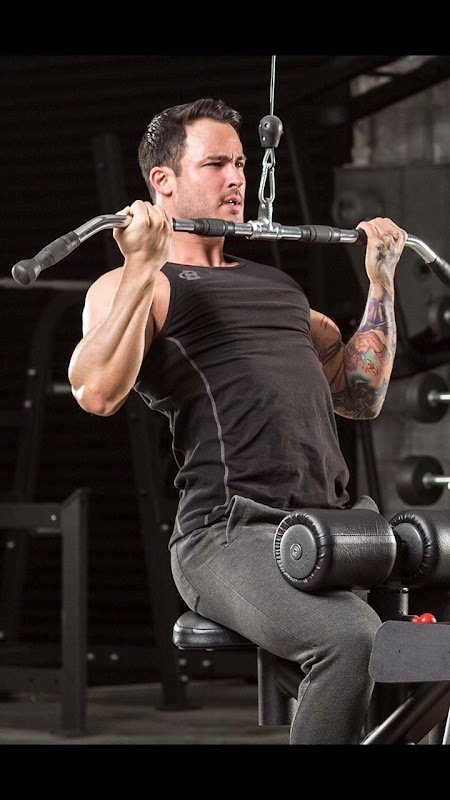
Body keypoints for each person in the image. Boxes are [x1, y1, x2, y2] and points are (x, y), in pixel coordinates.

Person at [68, 97, 407, 744]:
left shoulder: (279, 290)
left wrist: (381, 282)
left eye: (242, 164)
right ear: (164, 181)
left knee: (425, 633)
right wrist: (140, 263)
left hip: (331, 526)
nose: (236, 179)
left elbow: (360, 397)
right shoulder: (145, 286)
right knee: (352, 641)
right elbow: (96, 392)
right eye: (216, 164)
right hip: (228, 535)